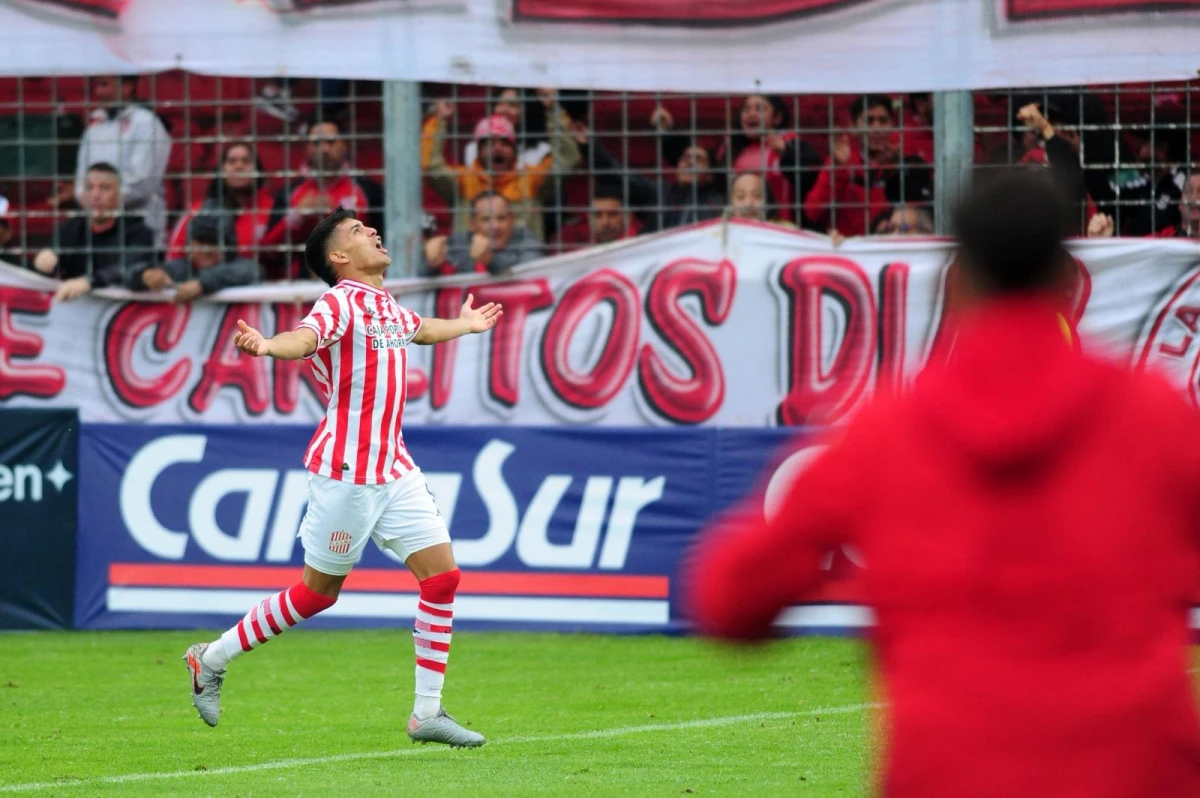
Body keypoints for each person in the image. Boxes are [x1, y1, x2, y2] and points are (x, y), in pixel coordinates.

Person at [685, 167, 1200, 797]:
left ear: (959, 282)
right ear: (1066, 280)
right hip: (1134, 772)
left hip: (951, 772)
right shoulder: (1156, 417)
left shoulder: (886, 433)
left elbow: (726, 599)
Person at [184, 208, 503, 747]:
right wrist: (267, 346)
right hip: (348, 471)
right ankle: (210, 658)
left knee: (443, 578)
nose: (373, 231)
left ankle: (427, 713)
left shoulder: (384, 305)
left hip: (395, 467)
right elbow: (305, 338)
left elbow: (420, 330)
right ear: (338, 258)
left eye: (368, 226)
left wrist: (466, 326)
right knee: (317, 595)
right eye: (357, 231)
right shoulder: (338, 302)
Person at [421, 89, 581, 241]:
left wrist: (553, 110)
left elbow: (567, 159)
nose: (497, 148)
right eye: (489, 143)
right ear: (478, 150)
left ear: (514, 150)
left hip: (523, 265)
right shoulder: (464, 181)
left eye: (504, 143)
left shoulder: (531, 180)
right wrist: (438, 120)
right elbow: (430, 166)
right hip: (471, 265)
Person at [260, 120, 385, 280]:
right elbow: (268, 253)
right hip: (300, 290)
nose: (324, 149)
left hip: (358, 284)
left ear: (344, 145)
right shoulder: (289, 193)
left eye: (331, 142)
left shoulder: (369, 190)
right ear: (307, 148)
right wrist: (297, 217)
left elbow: (385, 244)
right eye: (317, 143)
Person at [804, 94, 933, 237]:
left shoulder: (904, 161)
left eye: (883, 121)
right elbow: (812, 212)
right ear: (853, 127)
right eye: (868, 120)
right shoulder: (842, 161)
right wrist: (838, 168)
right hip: (852, 250)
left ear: (893, 126)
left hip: (891, 248)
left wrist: (898, 172)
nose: (876, 127)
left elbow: (921, 217)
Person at [32, 162, 155, 302]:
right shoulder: (72, 226)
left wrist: (88, 282)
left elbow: (129, 267)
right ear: (82, 194)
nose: (95, 195)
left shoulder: (139, 232)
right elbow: (53, 259)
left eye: (104, 188)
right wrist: (45, 259)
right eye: (89, 188)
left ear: (120, 195)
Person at [73, 75, 172, 245]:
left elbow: (143, 183)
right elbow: (81, 182)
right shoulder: (94, 128)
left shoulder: (147, 123)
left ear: (127, 87)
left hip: (140, 231)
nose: (98, 92)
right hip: (97, 232)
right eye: (96, 86)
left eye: (104, 84)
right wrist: (91, 198)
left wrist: (102, 199)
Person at [165, 141, 275, 262]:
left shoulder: (272, 209)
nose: (239, 167)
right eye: (232, 161)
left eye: (246, 161)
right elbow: (174, 257)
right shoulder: (198, 212)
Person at [130, 214, 261, 302]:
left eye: (212, 243)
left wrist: (203, 284)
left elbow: (253, 271)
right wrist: (144, 275)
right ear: (189, 246)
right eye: (200, 243)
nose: (206, 250)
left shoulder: (241, 267)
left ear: (227, 248)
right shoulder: (179, 268)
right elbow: (127, 275)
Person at [423, 192, 542, 276]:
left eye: (501, 218)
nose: (495, 226)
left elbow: (529, 275)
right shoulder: (458, 243)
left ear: (512, 220)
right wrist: (433, 265)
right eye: (486, 219)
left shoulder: (526, 239)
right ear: (472, 224)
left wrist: (490, 260)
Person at [462, 88, 552, 171]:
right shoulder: (473, 149)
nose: (504, 110)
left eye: (512, 105)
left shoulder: (540, 151)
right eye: (500, 104)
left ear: (527, 111)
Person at [552, 182, 641, 253]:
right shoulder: (571, 235)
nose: (605, 223)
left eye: (612, 215)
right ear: (589, 217)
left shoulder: (640, 241)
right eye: (598, 215)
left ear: (627, 216)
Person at [727, 171, 793, 226]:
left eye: (757, 196)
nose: (748, 204)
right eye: (740, 197)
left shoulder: (785, 230)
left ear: (768, 200)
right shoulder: (721, 232)